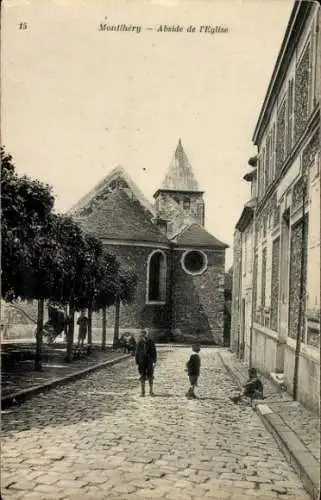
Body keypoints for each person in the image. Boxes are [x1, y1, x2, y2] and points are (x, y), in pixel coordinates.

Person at [135, 329, 157, 397]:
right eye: (142, 334)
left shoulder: (151, 342)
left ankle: (151, 391)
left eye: (144, 334)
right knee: (142, 376)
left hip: (149, 361)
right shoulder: (139, 342)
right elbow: (137, 352)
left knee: (150, 376)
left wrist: (154, 361)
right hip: (141, 361)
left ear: (146, 335)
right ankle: (142, 392)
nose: (143, 336)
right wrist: (137, 361)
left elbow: (154, 352)